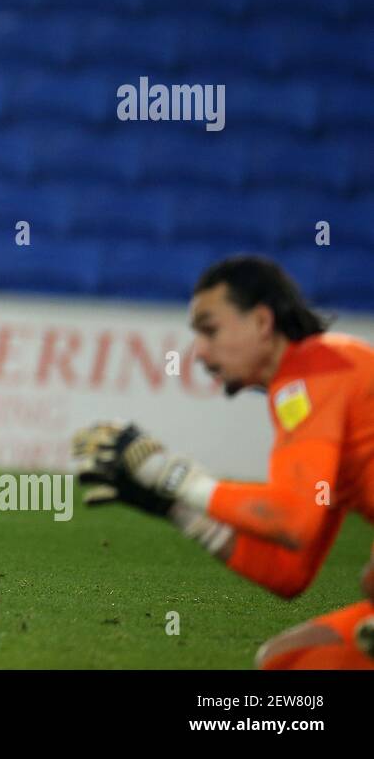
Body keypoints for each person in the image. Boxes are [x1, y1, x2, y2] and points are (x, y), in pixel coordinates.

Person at [72, 254, 374, 668]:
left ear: (262, 322)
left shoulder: (313, 373)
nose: (199, 352)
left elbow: (290, 518)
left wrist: (169, 474)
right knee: (288, 660)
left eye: (210, 331)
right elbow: (290, 573)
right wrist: (176, 508)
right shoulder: (312, 385)